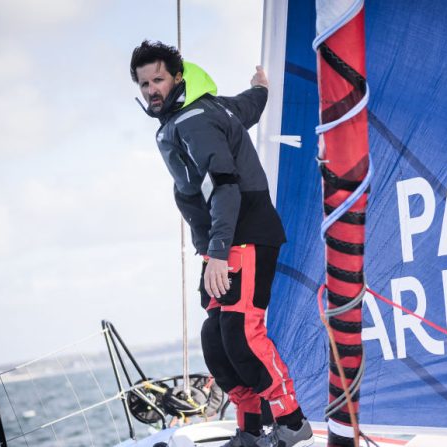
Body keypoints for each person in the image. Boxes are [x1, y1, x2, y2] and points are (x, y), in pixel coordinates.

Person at [130, 40, 313, 447]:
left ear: (178, 77)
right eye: (144, 84)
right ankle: (250, 431)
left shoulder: (195, 119)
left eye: (158, 79)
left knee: (242, 335)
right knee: (217, 340)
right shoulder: (210, 107)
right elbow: (248, 107)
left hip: (242, 235)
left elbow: (225, 185)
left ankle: (292, 420)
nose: (151, 90)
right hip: (223, 241)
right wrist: (261, 88)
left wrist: (216, 254)